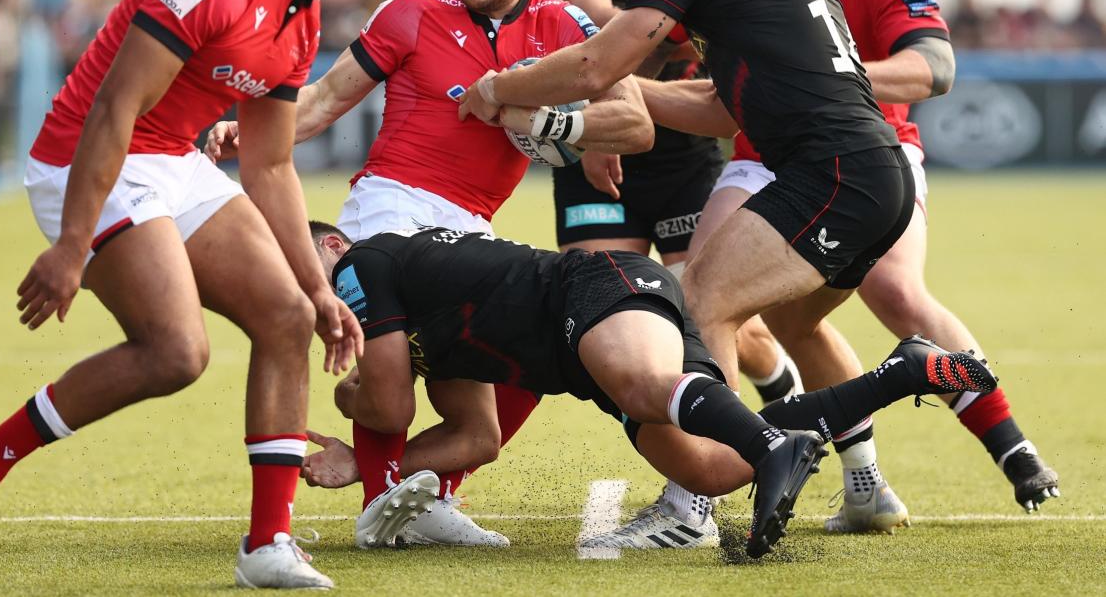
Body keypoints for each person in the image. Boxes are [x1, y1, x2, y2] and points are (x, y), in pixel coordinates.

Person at [0, 0, 392, 590]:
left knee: (285, 314)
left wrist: (320, 289)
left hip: (170, 158)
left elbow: (269, 164)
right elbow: (114, 107)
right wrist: (73, 244)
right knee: (177, 351)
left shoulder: (300, 20)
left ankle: (268, 543)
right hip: (84, 156)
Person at [460, 0, 921, 543]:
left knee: (702, 301)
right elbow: (716, 107)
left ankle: (690, 510)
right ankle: (885, 393)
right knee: (729, 304)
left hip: (834, 175)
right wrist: (621, 108)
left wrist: (499, 85)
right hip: (866, 167)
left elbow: (594, 65)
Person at [205, 0, 656, 549]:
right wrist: (249, 134)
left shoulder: (566, 25)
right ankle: (383, 497)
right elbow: (327, 98)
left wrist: (559, 124)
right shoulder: (413, 11)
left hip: (470, 225)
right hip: (391, 207)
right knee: (401, 391)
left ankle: (418, 493)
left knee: (523, 364)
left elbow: (636, 122)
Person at [307, 221, 997, 558]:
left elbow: (389, 406)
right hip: (597, 344)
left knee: (647, 388)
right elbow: (475, 438)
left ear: (333, 244)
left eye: (301, 265)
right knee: (712, 466)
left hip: (597, 288)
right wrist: (373, 462)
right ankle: (903, 370)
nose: (305, 292)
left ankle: (770, 443)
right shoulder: (424, 331)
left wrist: (356, 424)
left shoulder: (361, 266)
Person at [725, 0, 1056, 524]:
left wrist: (820, 81)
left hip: (873, 150)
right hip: (761, 157)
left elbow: (935, 66)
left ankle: (1010, 444)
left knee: (896, 290)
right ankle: (863, 483)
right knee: (767, 314)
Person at [536, 0, 800, 548]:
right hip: (597, 148)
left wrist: (617, 60)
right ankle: (705, 478)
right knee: (600, 313)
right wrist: (608, 99)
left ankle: (776, 400)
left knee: (711, 316)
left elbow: (615, 48)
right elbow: (601, 29)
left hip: (684, 151)